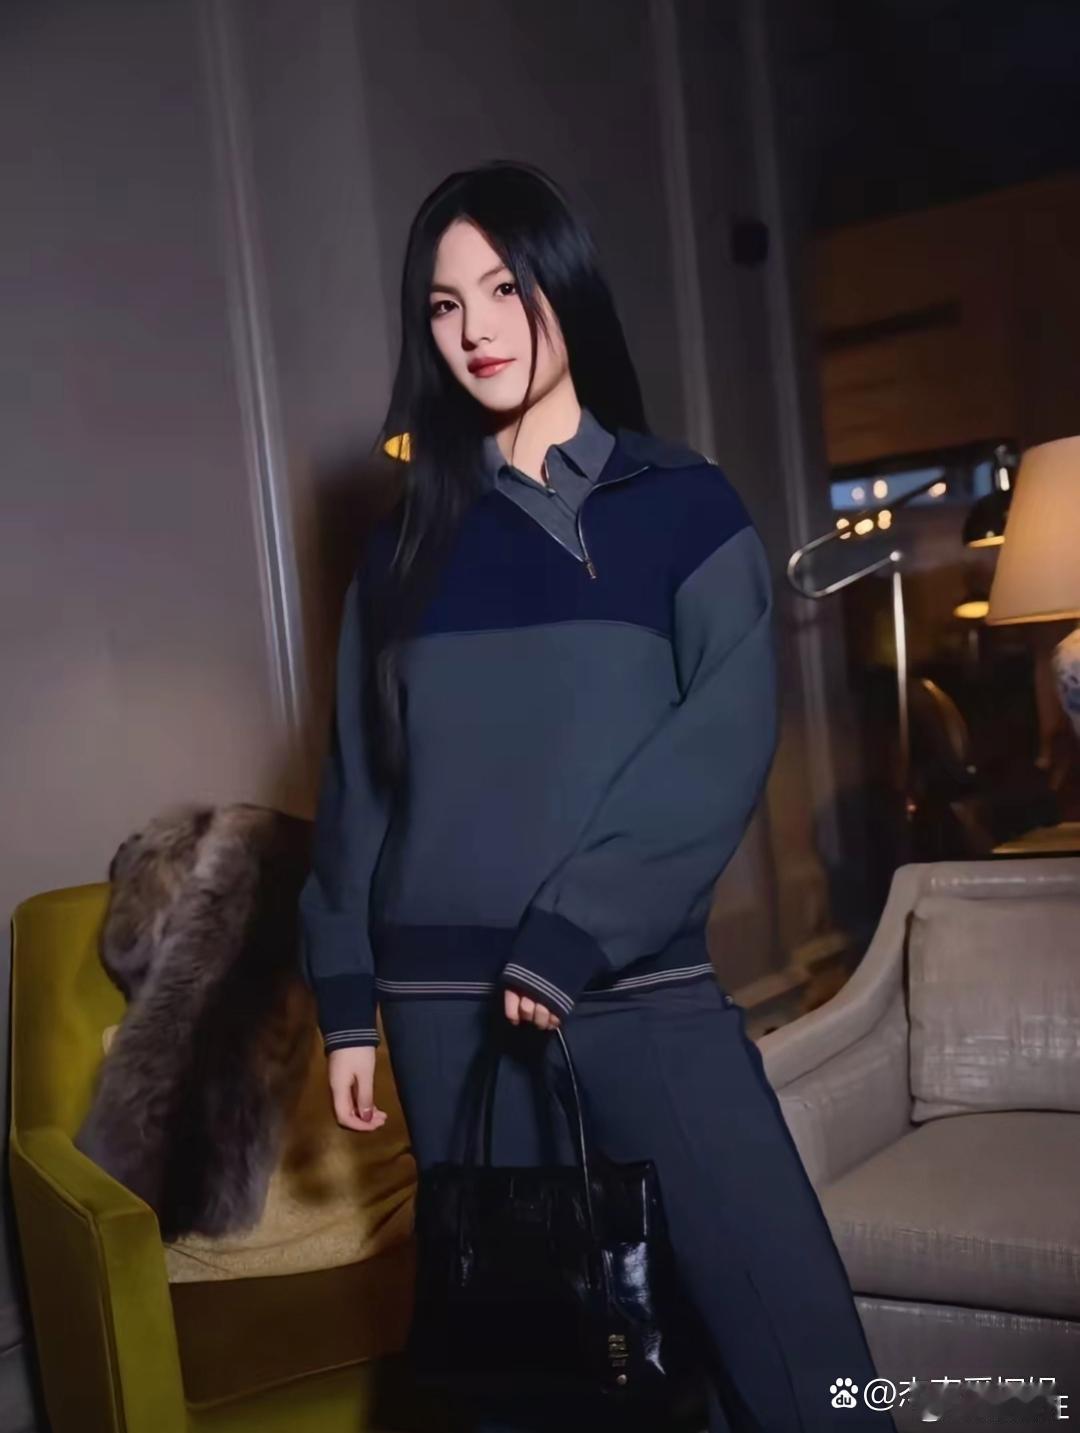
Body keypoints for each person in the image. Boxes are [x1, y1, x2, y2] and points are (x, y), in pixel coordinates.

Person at [298, 160, 895, 1433]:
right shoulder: (401, 548)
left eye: (504, 288)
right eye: (445, 306)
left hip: (633, 985)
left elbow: (723, 735)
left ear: (563, 286)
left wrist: (576, 925)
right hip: (446, 1013)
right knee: (539, 1380)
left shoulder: (682, 507)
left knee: (805, 1349)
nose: (476, 329)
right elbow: (358, 781)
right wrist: (346, 1003)